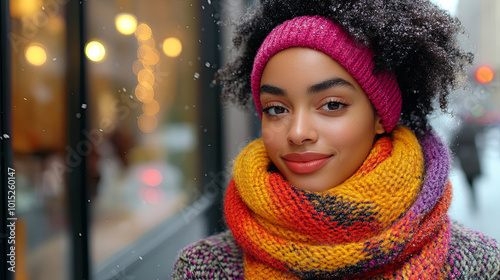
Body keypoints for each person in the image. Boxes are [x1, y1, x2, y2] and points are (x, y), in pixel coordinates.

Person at [172, 0, 500, 279]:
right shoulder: (205, 268)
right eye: (276, 109)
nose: (298, 132)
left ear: (379, 117)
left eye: (331, 105)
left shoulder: (477, 266)